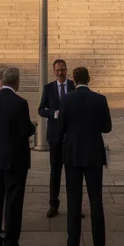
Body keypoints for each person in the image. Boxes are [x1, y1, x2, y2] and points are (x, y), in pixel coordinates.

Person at [58, 66, 110, 246]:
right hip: (94, 156)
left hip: (73, 155)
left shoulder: (67, 99)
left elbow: (61, 126)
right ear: (89, 79)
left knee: (74, 201)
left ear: (73, 79)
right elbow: (107, 128)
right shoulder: (100, 99)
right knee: (96, 200)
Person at [0, 66, 34, 246]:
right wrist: (33, 127)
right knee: (13, 202)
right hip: (16, 159)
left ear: (2, 81)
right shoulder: (20, 103)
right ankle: (10, 245)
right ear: (17, 82)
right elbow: (24, 131)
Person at [37, 58, 75, 217]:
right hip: (55, 136)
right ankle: (54, 203)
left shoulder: (73, 86)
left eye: (63, 69)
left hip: (72, 136)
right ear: (54, 71)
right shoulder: (49, 88)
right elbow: (41, 109)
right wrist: (53, 113)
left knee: (73, 172)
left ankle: (74, 205)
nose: (60, 72)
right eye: (58, 70)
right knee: (55, 172)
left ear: (67, 70)